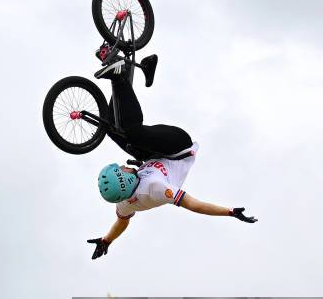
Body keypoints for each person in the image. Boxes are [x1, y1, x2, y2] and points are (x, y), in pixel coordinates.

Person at [87, 54, 257, 260]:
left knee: (112, 130)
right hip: (179, 147)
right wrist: (229, 212)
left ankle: (124, 64)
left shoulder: (124, 202)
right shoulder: (155, 188)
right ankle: (120, 75)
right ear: (125, 180)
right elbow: (195, 205)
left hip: (153, 154)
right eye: (121, 169)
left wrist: (106, 240)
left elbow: (122, 222)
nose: (124, 166)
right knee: (132, 132)